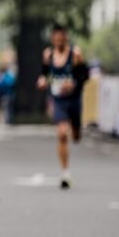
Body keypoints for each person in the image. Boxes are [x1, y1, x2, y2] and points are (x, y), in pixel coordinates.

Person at [37, 24, 88, 190]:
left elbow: (84, 76)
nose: (59, 40)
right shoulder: (48, 55)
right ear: (52, 38)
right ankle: (65, 173)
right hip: (58, 99)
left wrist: (72, 84)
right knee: (61, 133)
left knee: (76, 135)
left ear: (66, 37)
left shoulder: (75, 54)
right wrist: (42, 80)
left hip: (73, 99)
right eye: (56, 37)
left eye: (62, 37)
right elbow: (44, 74)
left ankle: (76, 128)